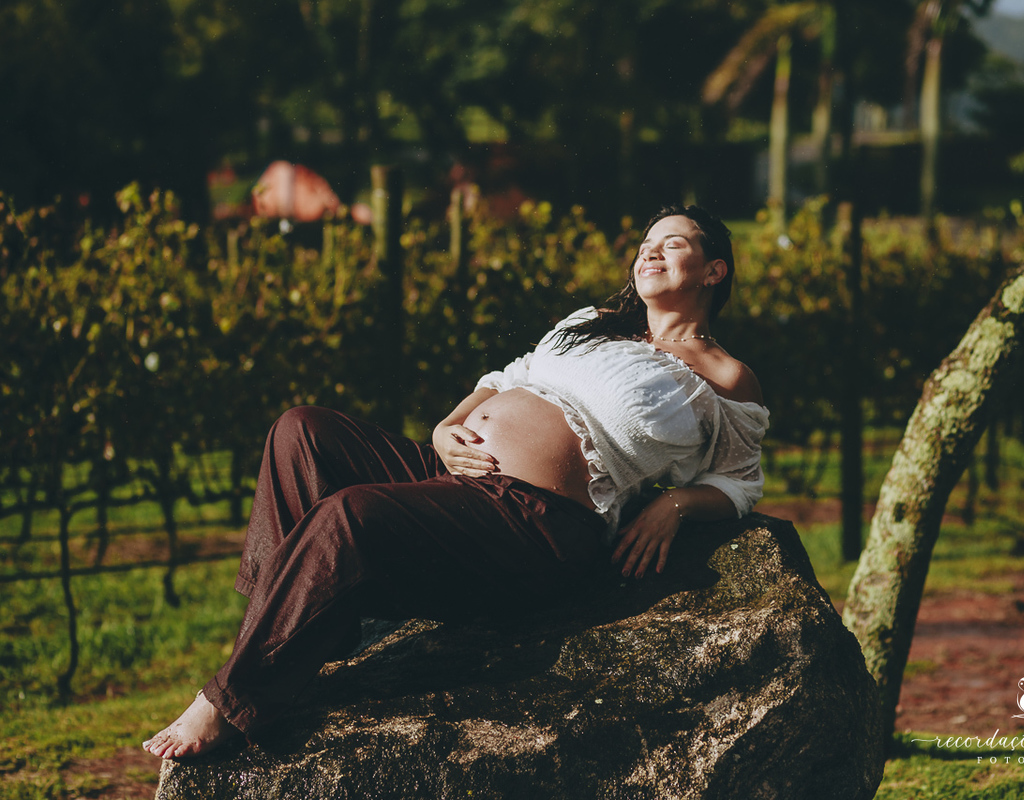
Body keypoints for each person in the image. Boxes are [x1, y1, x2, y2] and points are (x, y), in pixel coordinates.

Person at [143, 204, 769, 759]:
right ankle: (294, 638)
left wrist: (677, 504)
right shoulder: (594, 320)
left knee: (349, 515)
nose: (648, 252)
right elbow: (509, 375)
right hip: (454, 472)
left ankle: (234, 701)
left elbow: (740, 483)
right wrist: (447, 426)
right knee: (300, 431)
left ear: (715, 271)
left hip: (537, 520)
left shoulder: (722, 376)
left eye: (673, 243)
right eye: (644, 244)